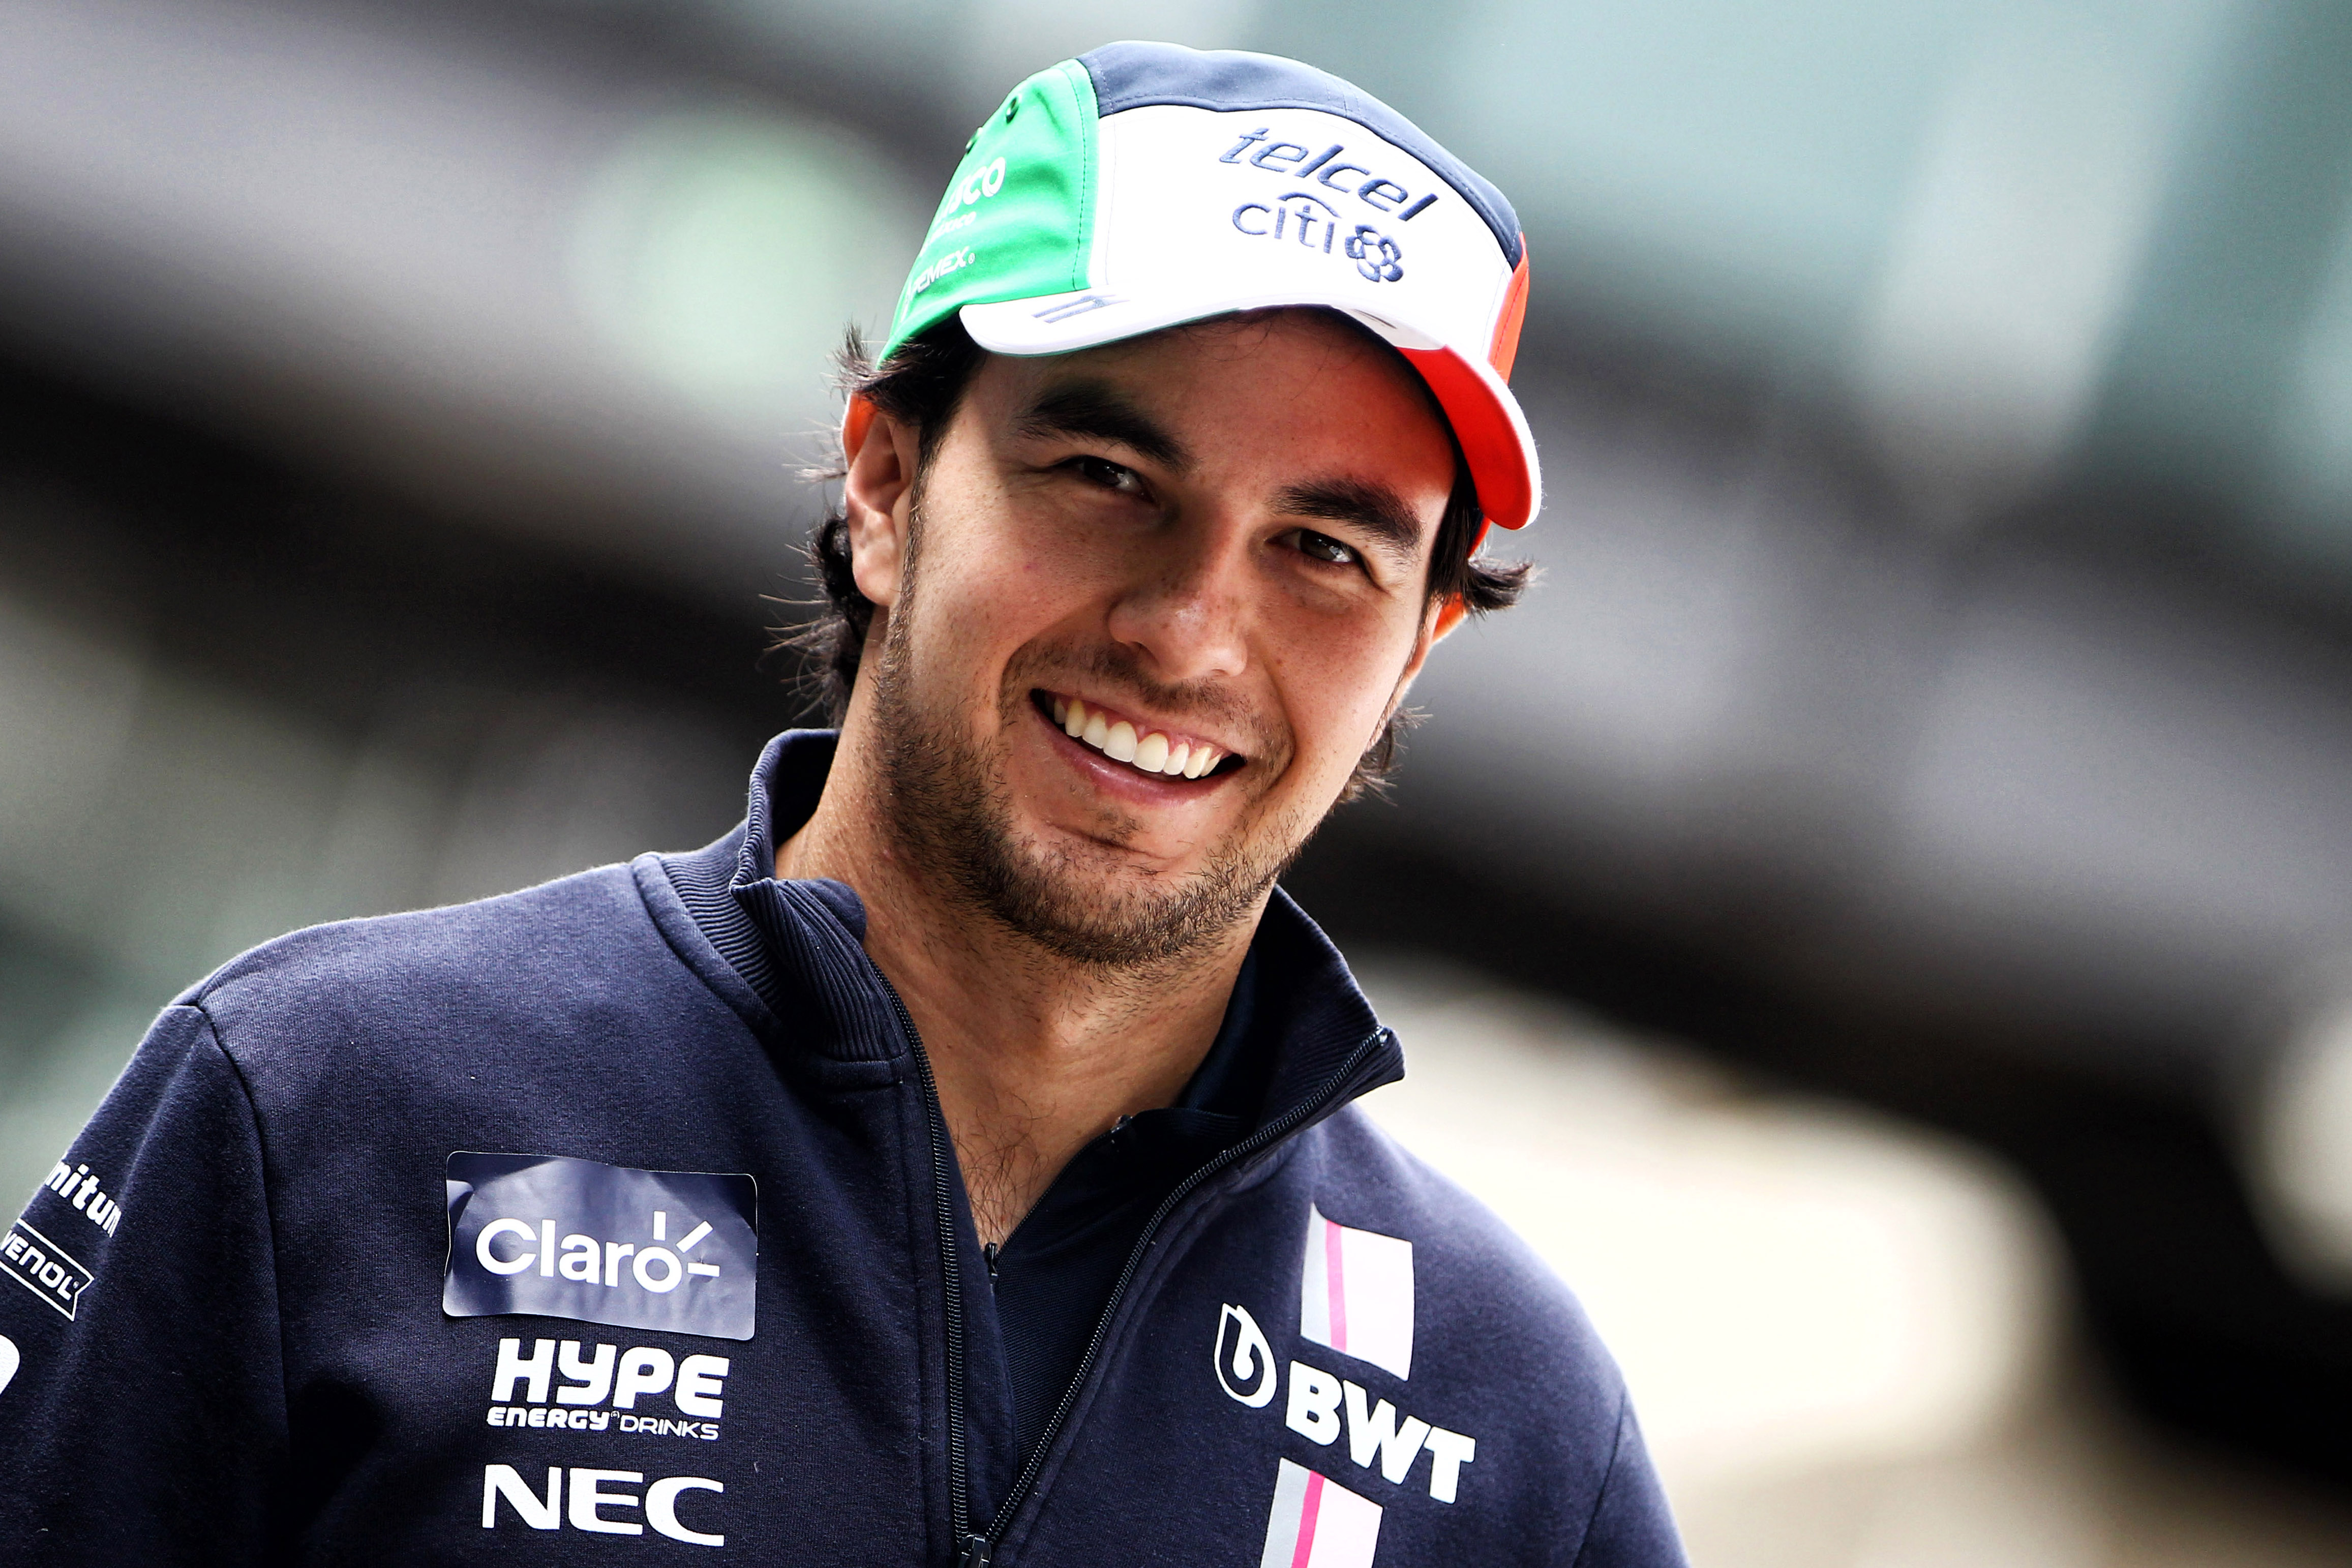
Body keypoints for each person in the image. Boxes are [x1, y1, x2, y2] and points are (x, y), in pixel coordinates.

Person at [0, 40, 1684, 1567]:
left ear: (1416, 645)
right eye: (1106, 478)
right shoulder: (323, 1105)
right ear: (886, 485)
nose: (1188, 634)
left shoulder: (1514, 1438)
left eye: (1321, 549)